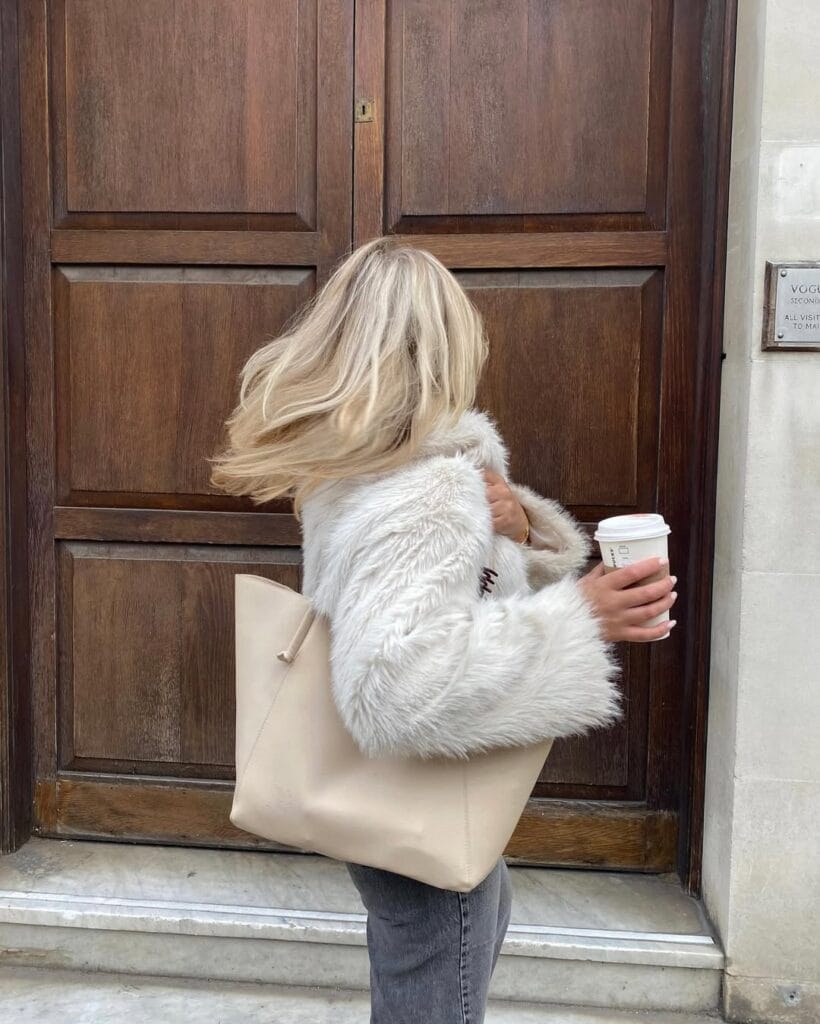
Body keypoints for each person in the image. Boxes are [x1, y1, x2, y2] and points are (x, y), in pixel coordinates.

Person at [210, 236, 677, 1024]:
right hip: (414, 796)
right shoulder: (425, 491)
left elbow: (443, 595)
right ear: (447, 345)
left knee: (454, 941)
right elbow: (395, 687)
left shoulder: (362, 467)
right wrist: (582, 617)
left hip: (399, 797)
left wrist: (523, 529)